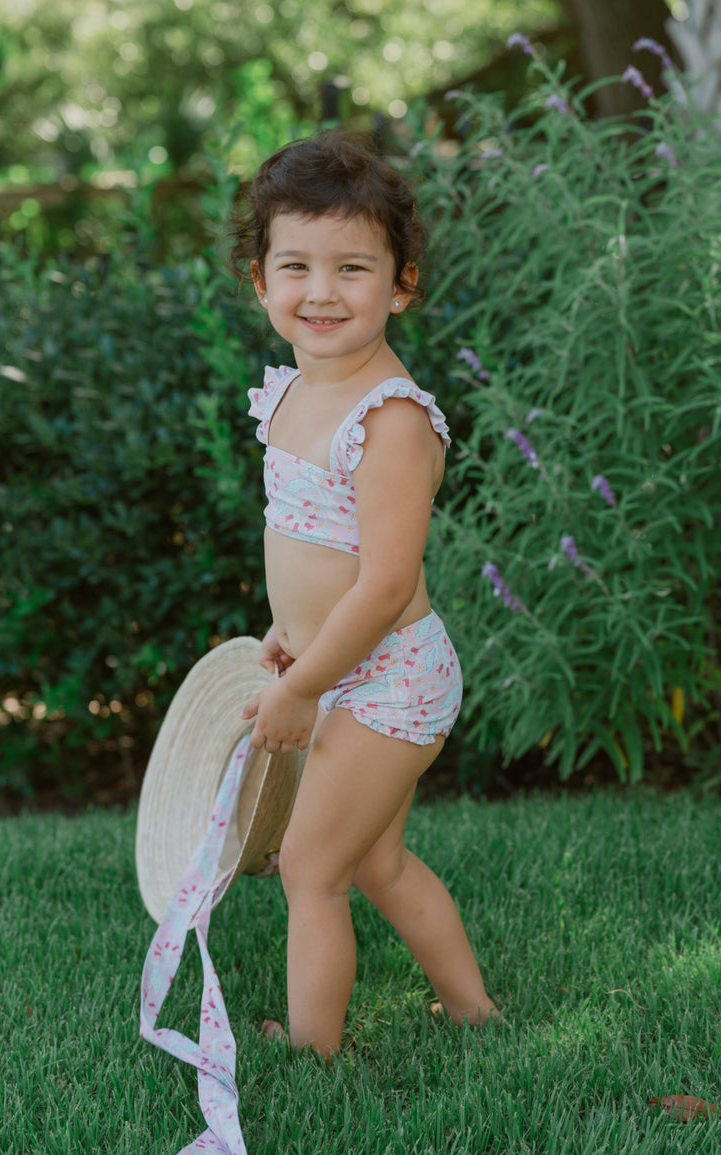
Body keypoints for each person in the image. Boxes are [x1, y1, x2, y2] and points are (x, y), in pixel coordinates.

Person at [229, 132, 498, 1057]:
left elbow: (383, 585)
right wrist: (289, 631)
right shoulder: (296, 392)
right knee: (377, 861)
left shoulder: (389, 418)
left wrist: (303, 690)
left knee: (309, 866)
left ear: (401, 285)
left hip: (389, 682)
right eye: (295, 265)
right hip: (338, 663)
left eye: (353, 267)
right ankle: (475, 1013)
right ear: (260, 282)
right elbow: (313, 544)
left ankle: (313, 1054)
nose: (322, 291)